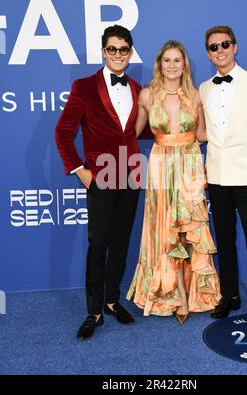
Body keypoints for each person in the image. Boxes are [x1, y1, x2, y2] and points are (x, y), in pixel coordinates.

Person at [55, 25, 145, 340]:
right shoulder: (83, 86)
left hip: (132, 174)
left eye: (123, 49)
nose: (118, 54)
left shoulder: (137, 88)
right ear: (103, 51)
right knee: (99, 243)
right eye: (112, 49)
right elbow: (63, 132)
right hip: (100, 175)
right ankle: (93, 311)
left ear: (130, 53)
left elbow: (141, 131)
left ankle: (112, 300)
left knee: (121, 242)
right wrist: (79, 169)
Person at [127, 40, 221, 323]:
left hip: (190, 163)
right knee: (165, 229)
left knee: (188, 230)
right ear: (159, 64)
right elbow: (131, 133)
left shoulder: (196, 95)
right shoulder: (146, 96)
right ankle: (175, 293)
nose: (171, 65)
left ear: (184, 64)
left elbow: (203, 135)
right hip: (160, 165)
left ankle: (194, 292)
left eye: (176, 60)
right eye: (166, 60)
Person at [199, 26, 247, 331]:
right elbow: (204, 133)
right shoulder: (204, 88)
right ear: (207, 53)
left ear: (235, 47)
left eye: (224, 44)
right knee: (226, 242)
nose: (219, 50)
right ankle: (229, 296)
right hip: (217, 176)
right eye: (213, 47)